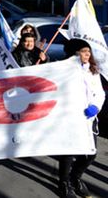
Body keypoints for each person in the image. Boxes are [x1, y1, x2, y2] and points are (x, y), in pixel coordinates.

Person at [57, 39, 105, 198]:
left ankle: (75, 178)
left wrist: (95, 107)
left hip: (88, 119)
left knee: (90, 154)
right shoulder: (62, 70)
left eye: (88, 51)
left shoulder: (93, 71)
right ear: (75, 53)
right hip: (69, 118)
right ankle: (64, 183)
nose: (87, 54)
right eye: (84, 51)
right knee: (69, 152)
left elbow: (100, 93)